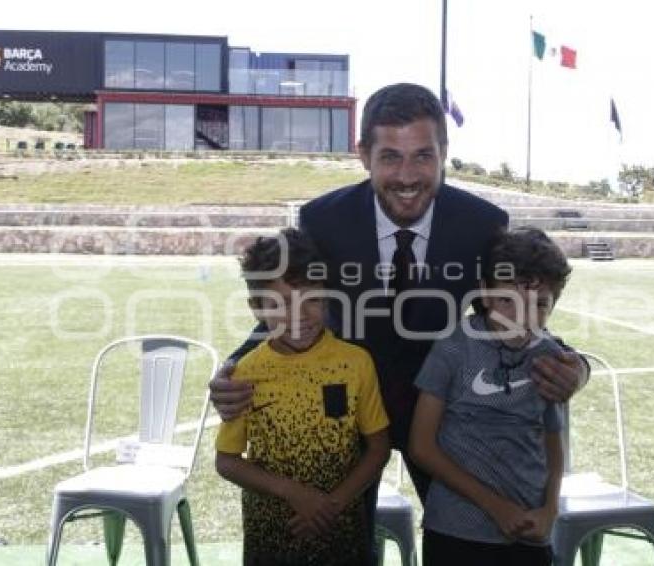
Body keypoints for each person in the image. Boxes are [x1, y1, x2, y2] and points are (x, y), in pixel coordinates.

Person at [211, 82, 587, 503]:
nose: (407, 177)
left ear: (443, 154)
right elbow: (290, 307)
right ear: (363, 155)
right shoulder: (323, 220)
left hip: (446, 415)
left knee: (462, 538)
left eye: (423, 156)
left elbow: (514, 313)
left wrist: (574, 367)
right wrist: (234, 364)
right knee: (337, 538)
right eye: (390, 157)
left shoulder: (481, 223)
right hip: (343, 410)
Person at [215, 228, 390, 566]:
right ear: (256, 307)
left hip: (341, 532)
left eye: (311, 299)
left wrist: (331, 506)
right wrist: (295, 494)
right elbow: (228, 462)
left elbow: (378, 448)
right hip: (272, 535)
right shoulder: (246, 373)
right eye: (280, 304)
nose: (299, 315)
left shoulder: (355, 363)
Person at [409, 226, 570, 566]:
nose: (522, 319)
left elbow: (554, 441)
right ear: (484, 293)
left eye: (539, 304)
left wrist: (549, 510)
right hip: (456, 532)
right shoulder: (454, 347)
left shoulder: (550, 358)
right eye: (507, 301)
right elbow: (421, 447)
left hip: (528, 532)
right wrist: (497, 507)